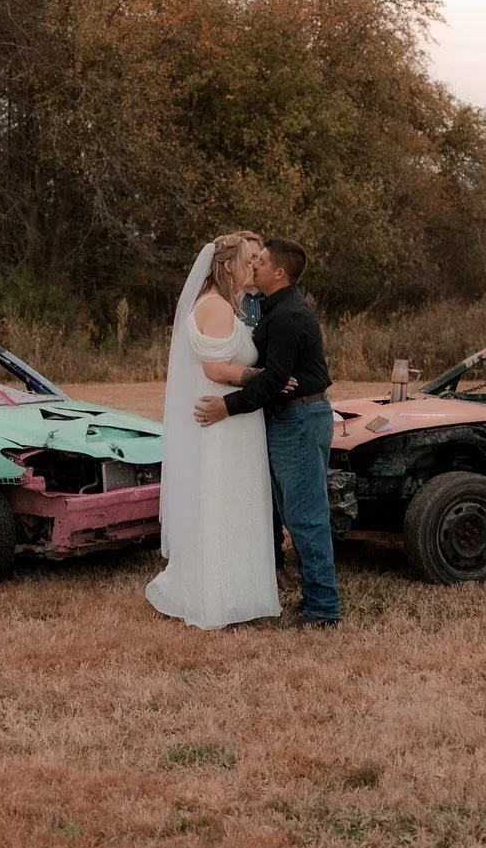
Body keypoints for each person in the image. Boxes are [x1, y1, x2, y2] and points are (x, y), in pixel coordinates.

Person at [195, 238, 340, 628]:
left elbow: (276, 380)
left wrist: (227, 407)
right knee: (293, 512)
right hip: (288, 420)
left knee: (307, 515)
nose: (254, 265)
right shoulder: (273, 309)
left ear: (279, 272)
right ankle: (311, 596)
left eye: (260, 261)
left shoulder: (290, 315)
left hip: (300, 419)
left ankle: (323, 608)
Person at [145, 232, 282, 629]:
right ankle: (218, 597)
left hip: (233, 422)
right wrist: (269, 376)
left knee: (232, 503)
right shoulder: (217, 307)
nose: (254, 265)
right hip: (222, 424)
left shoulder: (224, 304)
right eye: (248, 259)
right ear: (227, 266)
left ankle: (236, 591)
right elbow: (216, 369)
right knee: (223, 501)